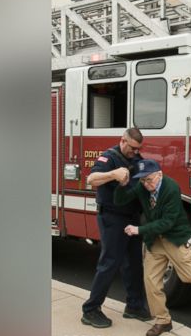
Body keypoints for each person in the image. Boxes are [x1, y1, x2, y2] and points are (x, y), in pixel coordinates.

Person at [115, 159, 191, 336]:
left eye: (149, 179)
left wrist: (138, 230)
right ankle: (163, 321)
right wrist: (122, 185)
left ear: (160, 174)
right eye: (142, 180)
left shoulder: (171, 187)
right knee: (151, 283)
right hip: (154, 242)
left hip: (175, 238)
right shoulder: (143, 186)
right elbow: (120, 200)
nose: (146, 184)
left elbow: (168, 222)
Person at [80, 127, 152, 328]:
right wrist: (113, 174)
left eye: (139, 148)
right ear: (123, 141)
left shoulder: (136, 158)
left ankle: (134, 306)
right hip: (112, 217)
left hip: (132, 217)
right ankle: (91, 310)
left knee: (134, 263)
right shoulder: (108, 158)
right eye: (133, 148)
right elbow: (90, 179)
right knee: (110, 263)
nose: (135, 152)